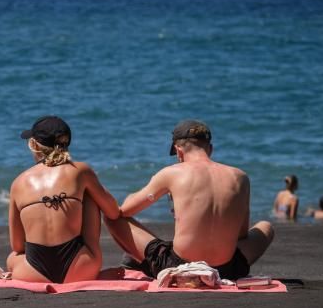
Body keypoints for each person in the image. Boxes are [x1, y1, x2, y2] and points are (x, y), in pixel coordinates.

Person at [104, 119, 274, 281]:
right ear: (210, 148)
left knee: (113, 218)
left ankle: (143, 262)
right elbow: (242, 235)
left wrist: (131, 197)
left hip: (179, 266)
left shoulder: (172, 173)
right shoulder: (240, 177)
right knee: (266, 227)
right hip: (227, 269)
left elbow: (125, 210)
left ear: (179, 151)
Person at [6, 116, 121, 283]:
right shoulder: (80, 170)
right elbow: (113, 212)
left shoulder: (19, 182)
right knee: (89, 193)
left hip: (32, 274)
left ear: (34, 145)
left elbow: (17, 246)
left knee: (12, 258)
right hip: (80, 269)